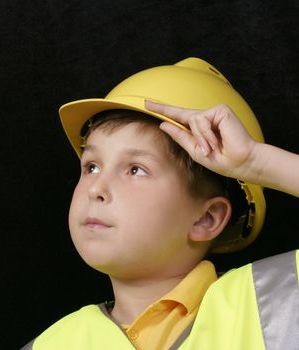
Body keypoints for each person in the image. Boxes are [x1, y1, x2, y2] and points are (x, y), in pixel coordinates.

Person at [21, 58, 299, 349]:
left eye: (135, 170)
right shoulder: (50, 345)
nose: (96, 188)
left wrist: (257, 163)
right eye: (91, 166)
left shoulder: (275, 297)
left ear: (207, 219)